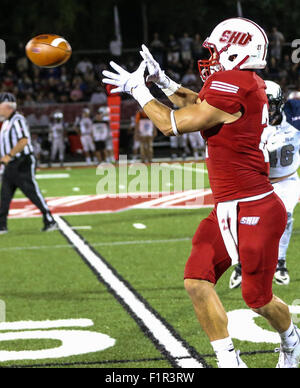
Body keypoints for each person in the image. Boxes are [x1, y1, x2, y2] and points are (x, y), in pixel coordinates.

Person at [103, 17, 300, 368]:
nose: (210, 56)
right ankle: (229, 360)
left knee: (258, 298)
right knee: (196, 281)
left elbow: (171, 124)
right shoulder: (239, 82)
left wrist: (139, 90)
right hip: (227, 207)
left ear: (236, 51)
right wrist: (163, 82)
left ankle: (291, 340)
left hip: (254, 206)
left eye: (215, 49)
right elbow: (200, 104)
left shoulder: (235, 83)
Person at [229, 81, 300, 289]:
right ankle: (242, 265)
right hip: (257, 182)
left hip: (287, 179)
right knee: (245, 222)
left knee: (285, 217)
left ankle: (280, 263)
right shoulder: (247, 121)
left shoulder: (295, 115)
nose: (264, 107)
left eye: (268, 103)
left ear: (279, 103)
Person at [0, 93, 57, 233]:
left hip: (22, 161)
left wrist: (9, 155)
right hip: (11, 163)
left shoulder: (17, 119)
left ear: (7, 106)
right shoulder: (6, 122)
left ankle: (49, 219)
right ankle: (2, 225)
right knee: (5, 195)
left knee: (31, 191)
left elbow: (24, 140)